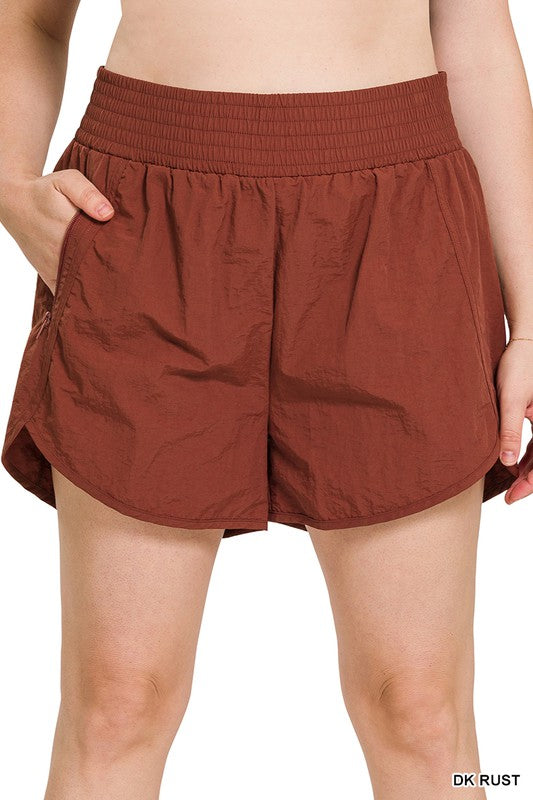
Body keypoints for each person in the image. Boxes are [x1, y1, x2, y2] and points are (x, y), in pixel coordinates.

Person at [0, 0, 532, 797]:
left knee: (421, 712)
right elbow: (27, 17)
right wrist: (10, 183)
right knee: (117, 702)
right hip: (148, 219)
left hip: (398, 227)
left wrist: (531, 318)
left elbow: (475, 29)